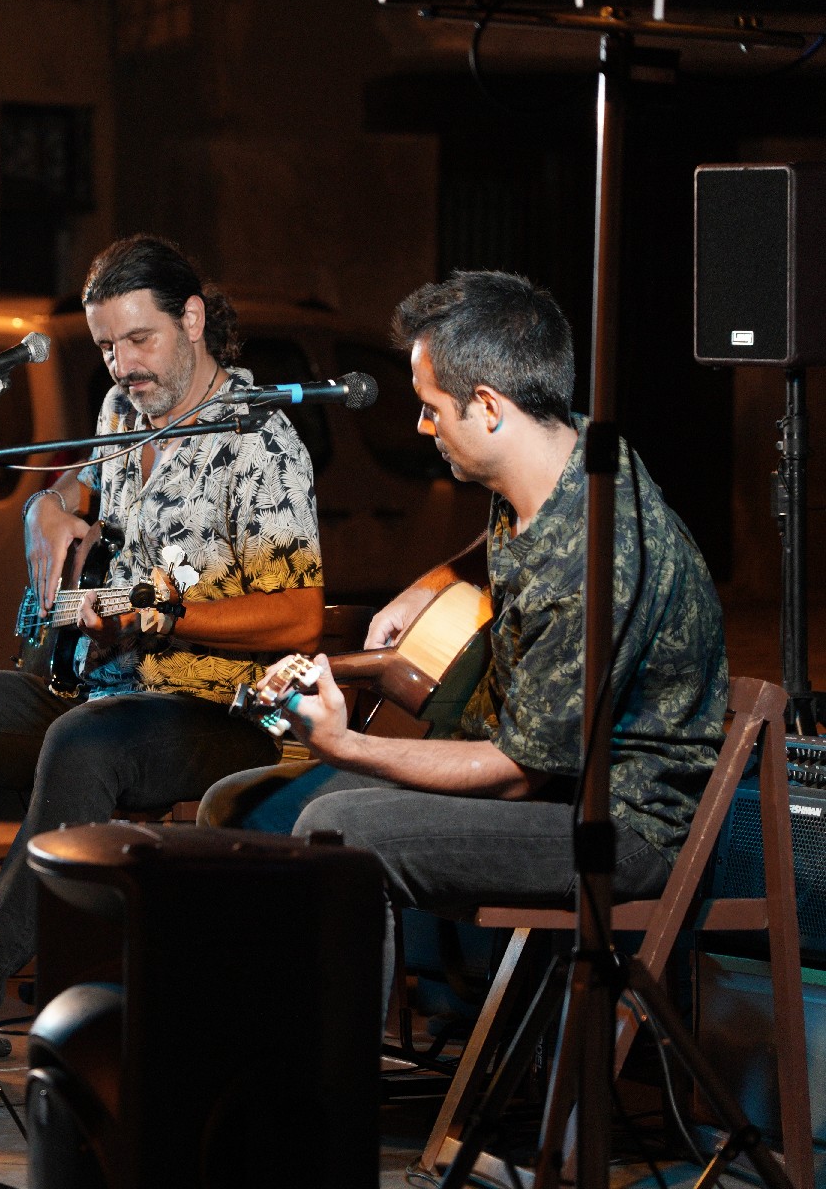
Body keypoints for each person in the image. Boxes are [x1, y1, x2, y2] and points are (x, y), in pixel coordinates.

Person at [0, 234, 324, 1082]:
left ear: (193, 319)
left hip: (216, 712)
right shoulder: (120, 415)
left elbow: (299, 613)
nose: (123, 364)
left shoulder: (262, 442)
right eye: (106, 347)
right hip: (91, 688)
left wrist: (170, 617)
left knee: (84, 743)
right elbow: (74, 489)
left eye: (139, 339)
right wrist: (47, 509)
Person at [201, 269, 728, 1004]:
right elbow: (517, 545)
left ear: (487, 406)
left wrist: (343, 744)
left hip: (619, 824)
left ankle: (329, 1069)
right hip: (543, 776)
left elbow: (516, 772)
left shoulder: (594, 560)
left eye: (431, 409)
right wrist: (434, 581)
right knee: (241, 808)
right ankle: (253, 1035)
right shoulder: (561, 451)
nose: (423, 427)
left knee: (338, 825)